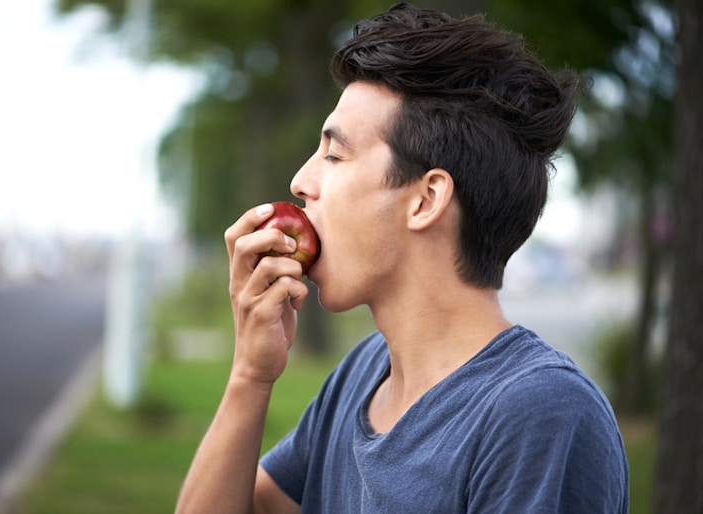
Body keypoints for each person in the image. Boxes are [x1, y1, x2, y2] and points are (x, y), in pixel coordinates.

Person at [175, 3, 629, 513]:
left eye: (334, 154)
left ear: (426, 199)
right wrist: (250, 375)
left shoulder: (539, 415)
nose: (301, 182)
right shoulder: (362, 375)